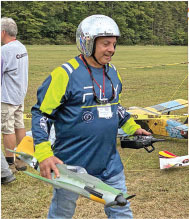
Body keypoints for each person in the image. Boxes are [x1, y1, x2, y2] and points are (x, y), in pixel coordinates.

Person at [31, 14, 151, 218]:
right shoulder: (65, 74)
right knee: (62, 212)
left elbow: (116, 107)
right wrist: (44, 154)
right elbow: (41, 114)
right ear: (87, 42)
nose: (112, 49)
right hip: (70, 166)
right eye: (106, 44)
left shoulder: (113, 72)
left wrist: (132, 128)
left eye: (114, 44)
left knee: (121, 210)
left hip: (109, 163)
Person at [1, 17, 28, 172]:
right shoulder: (22, 47)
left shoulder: (4, 51)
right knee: (19, 125)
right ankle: (21, 160)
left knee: (7, 129)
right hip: (19, 94)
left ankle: (10, 163)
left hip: (7, 96)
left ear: (3, 32)